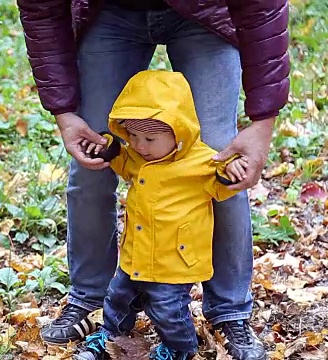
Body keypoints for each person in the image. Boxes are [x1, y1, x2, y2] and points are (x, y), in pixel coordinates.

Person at [16, 1, 289, 359]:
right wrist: (64, 113)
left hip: (205, 12)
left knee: (219, 158)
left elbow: (262, 8)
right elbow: (42, 10)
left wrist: (263, 120)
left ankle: (230, 309)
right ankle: (91, 301)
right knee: (93, 158)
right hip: (110, 11)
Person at [74, 70, 251, 360]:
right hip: (136, 255)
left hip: (174, 261)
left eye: (150, 138)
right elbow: (120, 158)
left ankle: (179, 347)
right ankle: (110, 336)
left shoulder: (202, 162)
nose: (140, 145)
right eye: (132, 135)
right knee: (117, 298)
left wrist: (231, 171)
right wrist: (108, 148)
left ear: (179, 132)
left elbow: (221, 179)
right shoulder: (137, 157)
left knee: (168, 309)